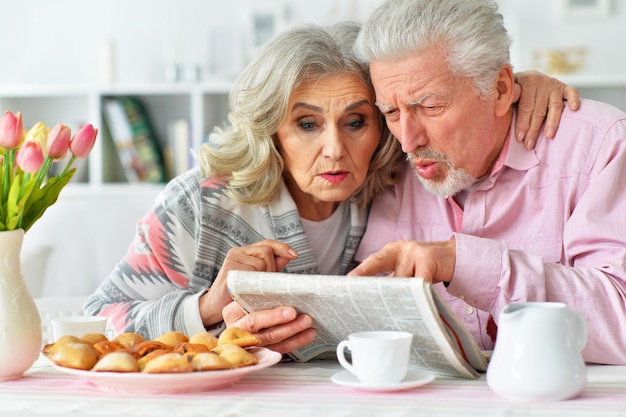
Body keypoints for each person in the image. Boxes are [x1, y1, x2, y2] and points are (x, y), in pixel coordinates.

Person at [84, 21, 580, 354]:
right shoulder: (200, 204)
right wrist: (208, 309)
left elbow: (444, 109)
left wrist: (521, 88)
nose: (335, 150)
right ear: (270, 128)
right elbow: (96, 321)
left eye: (356, 121)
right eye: (306, 124)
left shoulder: (392, 182)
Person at [348, 0, 626, 365]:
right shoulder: (382, 157)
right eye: (391, 112)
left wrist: (464, 264)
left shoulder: (599, 144)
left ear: (499, 89)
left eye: (430, 107)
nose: (407, 140)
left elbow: (620, 322)